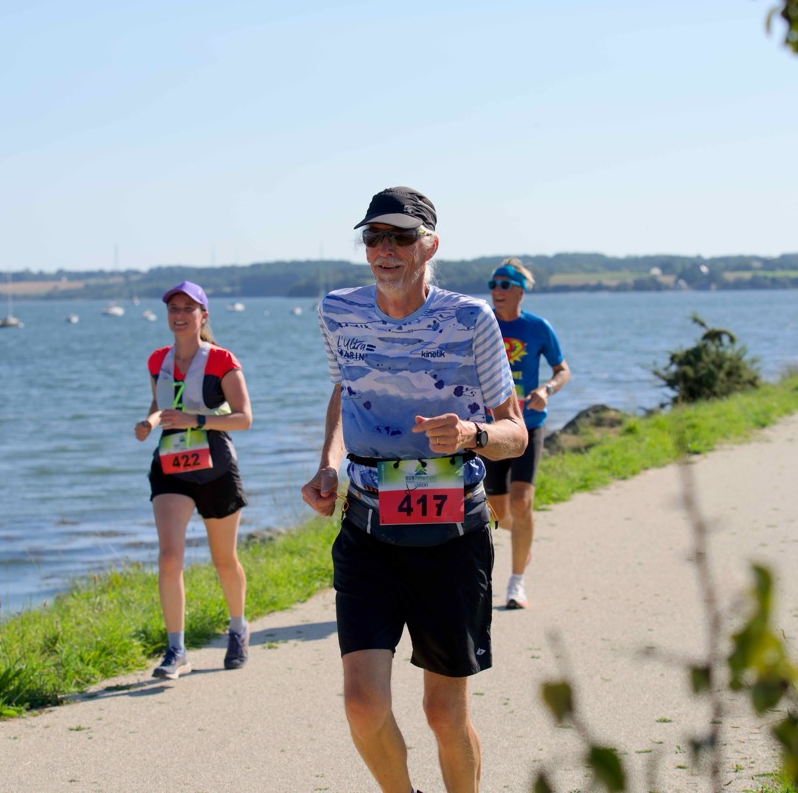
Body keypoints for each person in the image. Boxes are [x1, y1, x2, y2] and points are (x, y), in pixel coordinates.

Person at [301, 186, 527, 793]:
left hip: (451, 533)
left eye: (401, 237)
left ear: (430, 245)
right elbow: (344, 392)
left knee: (443, 714)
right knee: (362, 705)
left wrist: (473, 433)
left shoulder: (470, 319)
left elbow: (515, 434)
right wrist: (328, 465)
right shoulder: (337, 311)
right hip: (368, 529)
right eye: (374, 236)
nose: (385, 249)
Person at [134, 281, 253, 677]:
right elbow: (160, 402)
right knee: (169, 557)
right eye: (174, 308)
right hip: (171, 468)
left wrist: (195, 420)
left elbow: (244, 418)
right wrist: (150, 422)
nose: (180, 315)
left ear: (204, 316)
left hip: (216, 468)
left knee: (224, 560)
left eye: (189, 308)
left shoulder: (221, 360)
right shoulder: (157, 360)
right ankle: (176, 650)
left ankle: (238, 628)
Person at [480, 258, 570, 610]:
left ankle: (516, 583)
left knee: (521, 501)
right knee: (498, 511)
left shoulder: (538, 328)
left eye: (504, 284)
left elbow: (562, 370)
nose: (496, 290)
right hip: (491, 429)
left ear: (520, 291)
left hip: (528, 423)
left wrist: (547, 390)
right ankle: (523, 536)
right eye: (493, 284)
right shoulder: (482, 324)